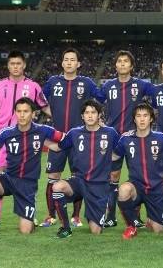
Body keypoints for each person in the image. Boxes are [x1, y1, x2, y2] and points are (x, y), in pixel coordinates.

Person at [0, 50, 50, 224]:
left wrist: (64, 120)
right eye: (12, 64)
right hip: (3, 136)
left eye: (18, 63)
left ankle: (28, 209)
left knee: (27, 174)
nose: (15, 67)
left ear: (24, 65)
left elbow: (45, 107)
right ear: (8, 65)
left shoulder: (33, 86)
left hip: (25, 136)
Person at [0, 97, 63, 238]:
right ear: (15, 113)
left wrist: (59, 145)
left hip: (27, 185)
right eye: (18, 111)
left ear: (33, 114)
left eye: (26, 111)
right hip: (9, 179)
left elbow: (64, 139)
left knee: (25, 230)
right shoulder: (7, 132)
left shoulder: (43, 130)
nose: (22, 115)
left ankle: (30, 218)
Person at [40, 48, 101, 228]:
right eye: (66, 59)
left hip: (79, 138)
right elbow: (38, 100)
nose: (68, 62)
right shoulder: (53, 82)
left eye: (72, 60)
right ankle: (51, 215)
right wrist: (53, 114)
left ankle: (75, 216)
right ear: (62, 63)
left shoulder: (86, 83)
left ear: (78, 64)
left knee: (78, 177)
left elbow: (101, 100)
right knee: (53, 176)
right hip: (57, 136)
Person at [99, 50, 154, 227]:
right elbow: (95, 101)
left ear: (131, 66)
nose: (122, 64)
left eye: (126, 61)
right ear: (115, 65)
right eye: (119, 61)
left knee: (136, 177)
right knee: (112, 176)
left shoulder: (141, 85)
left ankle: (134, 217)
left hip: (134, 138)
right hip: (114, 137)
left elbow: (162, 91)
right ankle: (110, 216)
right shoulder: (107, 86)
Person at [50, 100, 119, 238]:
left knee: (96, 231)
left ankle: (94, 214)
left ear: (99, 115)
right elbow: (58, 147)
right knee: (57, 187)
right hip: (79, 181)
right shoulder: (74, 133)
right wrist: (41, 140)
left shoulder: (111, 133)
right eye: (86, 112)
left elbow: (120, 151)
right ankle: (65, 227)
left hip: (99, 185)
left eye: (93, 112)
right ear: (82, 116)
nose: (90, 116)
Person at [112, 103, 163, 239]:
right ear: (134, 119)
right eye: (138, 116)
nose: (142, 119)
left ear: (151, 118)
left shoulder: (162, 138)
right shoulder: (126, 139)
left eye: (145, 116)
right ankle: (131, 226)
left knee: (158, 230)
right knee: (123, 190)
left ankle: (153, 219)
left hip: (155, 189)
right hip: (136, 187)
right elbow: (114, 156)